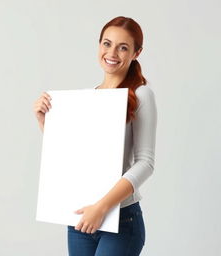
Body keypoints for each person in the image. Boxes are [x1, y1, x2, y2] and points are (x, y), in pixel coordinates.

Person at [33, 16, 157, 256]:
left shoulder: (141, 95)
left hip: (121, 220)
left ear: (136, 53)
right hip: (81, 218)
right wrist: (44, 122)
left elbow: (146, 163)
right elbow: (75, 156)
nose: (112, 53)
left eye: (123, 47)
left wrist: (102, 208)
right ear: (99, 45)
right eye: (107, 44)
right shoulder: (89, 97)